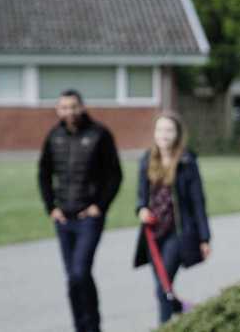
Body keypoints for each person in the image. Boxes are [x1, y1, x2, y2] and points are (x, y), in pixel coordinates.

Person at [38, 89, 122, 332]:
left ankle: (92, 326)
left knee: (79, 272)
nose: (69, 112)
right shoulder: (54, 136)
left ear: (82, 107)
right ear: (58, 110)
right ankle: (82, 327)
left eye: (73, 106)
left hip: (89, 218)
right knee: (75, 279)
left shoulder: (100, 134)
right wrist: (51, 207)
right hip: (63, 218)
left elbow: (114, 175)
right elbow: (43, 173)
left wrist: (100, 206)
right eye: (64, 107)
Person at [132, 112, 212, 324]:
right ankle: (181, 308)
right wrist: (141, 210)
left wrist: (205, 238)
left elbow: (198, 202)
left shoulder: (187, 161)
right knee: (163, 288)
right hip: (153, 233)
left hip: (178, 232)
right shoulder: (146, 159)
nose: (164, 135)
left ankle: (165, 325)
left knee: (162, 287)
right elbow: (141, 196)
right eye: (160, 130)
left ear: (177, 134)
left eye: (169, 130)